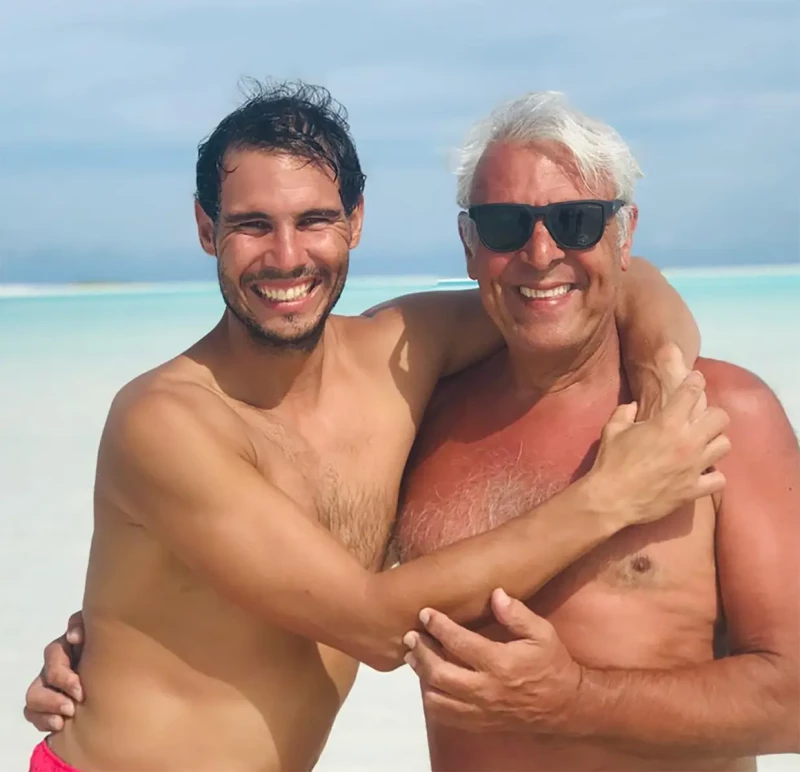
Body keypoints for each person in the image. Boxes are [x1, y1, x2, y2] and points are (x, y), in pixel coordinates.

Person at [21, 82, 728, 772]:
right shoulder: (164, 419)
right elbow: (377, 625)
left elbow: (625, 283)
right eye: (252, 225)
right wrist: (614, 494)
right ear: (207, 229)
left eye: (315, 220)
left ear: (356, 221)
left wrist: (665, 385)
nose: (288, 256)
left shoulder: (402, 354)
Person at [393, 91, 800, 771]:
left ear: (625, 234)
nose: (541, 251)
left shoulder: (720, 414)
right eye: (504, 225)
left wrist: (573, 700)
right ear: (469, 245)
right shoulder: (421, 429)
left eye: (577, 221)